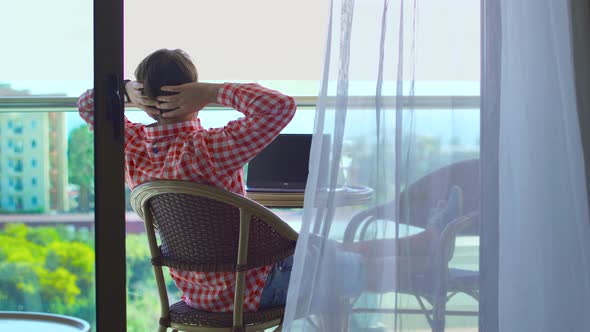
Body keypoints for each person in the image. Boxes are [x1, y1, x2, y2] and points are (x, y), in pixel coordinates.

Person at [77, 48, 464, 313]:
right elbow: (280, 106)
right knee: (349, 264)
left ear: (145, 97)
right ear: (192, 90)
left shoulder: (133, 147)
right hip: (253, 288)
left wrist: (125, 92)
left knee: (324, 249)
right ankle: (436, 271)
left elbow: (87, 103)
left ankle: (428, 244)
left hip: (198, 292)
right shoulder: (211, 148)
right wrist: (212, 92)